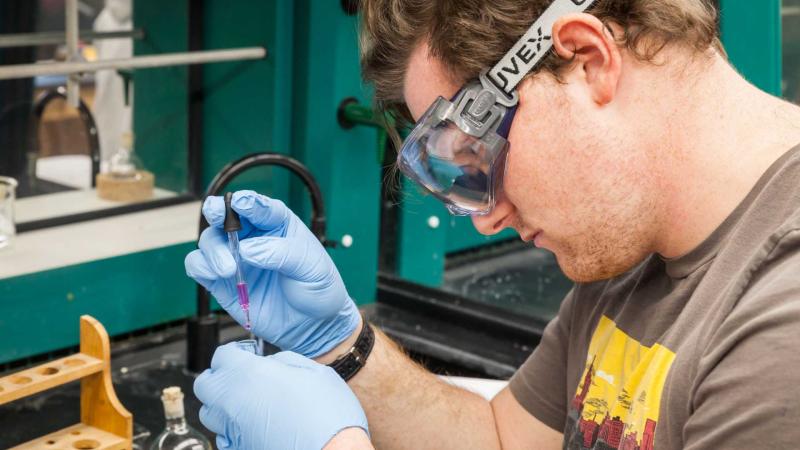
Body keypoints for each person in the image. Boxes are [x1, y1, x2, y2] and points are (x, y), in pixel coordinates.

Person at [185, 0, 800, 448]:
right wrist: (341, 347)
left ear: (587, 58)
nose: (487, 218)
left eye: (480, 156)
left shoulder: (781, 321)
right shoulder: (635, 252)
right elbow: (503, 439)